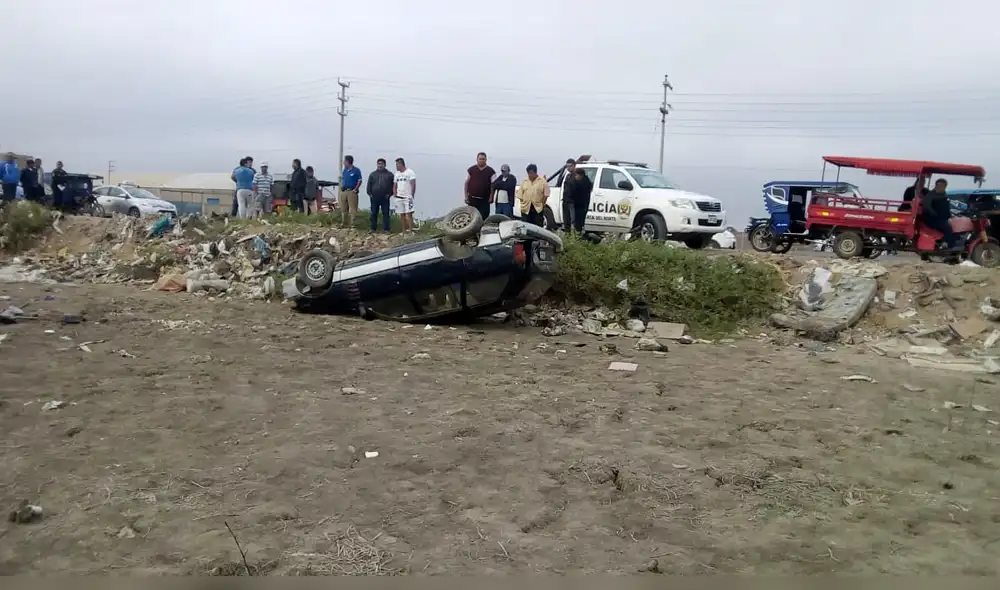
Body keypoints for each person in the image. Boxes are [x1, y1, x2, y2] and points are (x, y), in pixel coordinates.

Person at [922, 178, 959, 250]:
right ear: (936, 186)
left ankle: (954, 244)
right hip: (931, 218)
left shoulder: (944, 195)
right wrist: (936, 215)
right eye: (939, 186)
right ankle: (946, 244)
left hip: (943, 218)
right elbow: (927, 207)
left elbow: (947, 208)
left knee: (956, 226)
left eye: (943, 186)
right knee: (947, 227)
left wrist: (950, 216)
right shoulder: (930, 195)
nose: (941, 188)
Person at [464, 152, 495, 220]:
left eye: (483, 159)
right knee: (471, 217)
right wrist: (466, 197)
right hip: (472, 199)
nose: (481, 160)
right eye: (480, 159)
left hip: (485, 200)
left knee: (484, 216)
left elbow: (493, 185)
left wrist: (491, 197)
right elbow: (466, 183)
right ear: (477, 159)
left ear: (486, 160)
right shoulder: (471, 170)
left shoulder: (491, 171)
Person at [366, 158, 394, 232]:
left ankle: (386, 229)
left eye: (381, 164)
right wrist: (370, 194)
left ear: (385, 165)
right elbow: (369, 185)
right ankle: (373, 228)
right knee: (373, 213)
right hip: (374, 197)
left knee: (386, 214)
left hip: (385, 198)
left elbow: (393, 186)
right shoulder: (372, 174)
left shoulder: (390, 175)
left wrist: (389, 194)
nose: (380, 165)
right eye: (379, 164)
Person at [393, 157, 417, 232]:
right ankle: (404, 231)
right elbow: (395, 185)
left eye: (397, 165)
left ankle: (410, 230)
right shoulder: (397, 174)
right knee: (401, 215)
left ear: (401, 164)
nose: (396, 166)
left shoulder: (410, 172)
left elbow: (413, 184)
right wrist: (394, 193)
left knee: (409, 214)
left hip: (407, 197)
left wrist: (412, 195)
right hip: (399, 197)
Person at [340, 155, 362, 227]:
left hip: (352, 191)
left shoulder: (356, 170)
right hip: (344, 191)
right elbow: (343, 179)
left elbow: (359, 180)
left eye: (344, 161)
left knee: (352, 209)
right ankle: (344, 223)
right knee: (344, 208)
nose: (343, 163)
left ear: (348, 162)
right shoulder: (344, 170)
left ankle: (353, 224)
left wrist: (355, 189)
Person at [569, 167, 593, 233]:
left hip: (579, 205)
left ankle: (578, 234)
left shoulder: (581, 183)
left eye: (576, 175)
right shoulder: (587, 181)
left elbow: (573, 192)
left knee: (578, 223)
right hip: (583, 205)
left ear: (581, 175)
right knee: (580, 222)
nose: (575, 177)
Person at [560, 158, 578, 231]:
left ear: (574, 166)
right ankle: (567, 233)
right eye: (567, 166)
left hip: (572, 201)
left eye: (570, 166)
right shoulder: (567, 176)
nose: (568, 168)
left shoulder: (577, 176)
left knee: (574, 220)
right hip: (566, 200)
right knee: (566, 220)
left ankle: (574, 234)